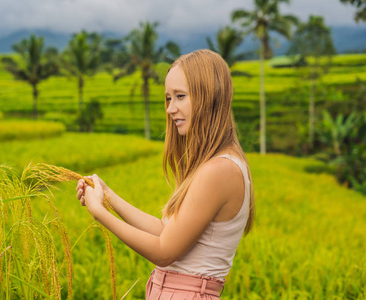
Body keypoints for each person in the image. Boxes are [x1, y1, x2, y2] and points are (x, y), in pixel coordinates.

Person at [76, 49, 255, 300]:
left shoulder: (220, 170)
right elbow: (164, 231)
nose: (171, 109)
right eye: (168, 98)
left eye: (180, 96)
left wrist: (99, 212)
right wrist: (107, 195)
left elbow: (164, 251)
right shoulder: (213, 165)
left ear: (209, 97)